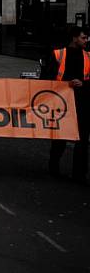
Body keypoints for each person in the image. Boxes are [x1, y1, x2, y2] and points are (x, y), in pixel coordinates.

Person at [44, 26, 90, 182]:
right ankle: (54, 168)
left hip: (82, 103)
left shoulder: (88, 56)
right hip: (61, 102)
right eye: (83, 37)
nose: (86, 40)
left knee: (82, 139)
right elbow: (47, 78)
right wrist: (67, 83)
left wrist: (82, 83)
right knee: (60, 137)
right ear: (74, 38)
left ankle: (80, 174)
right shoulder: (58, 54)